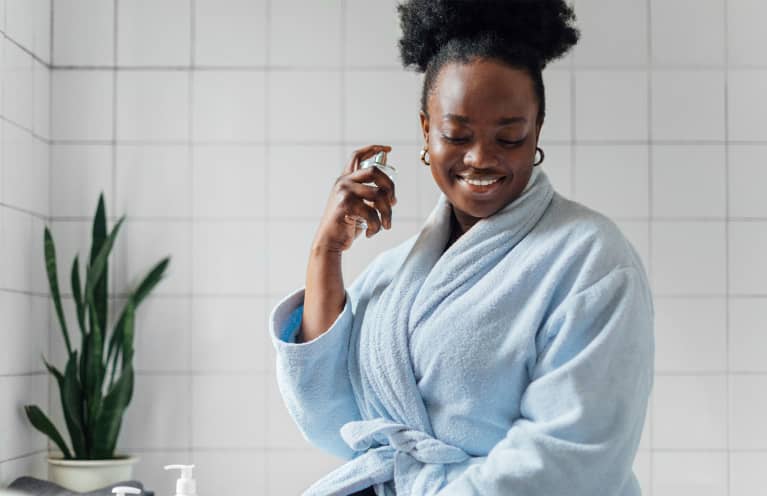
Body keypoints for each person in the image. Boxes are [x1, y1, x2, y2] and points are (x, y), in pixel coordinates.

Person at [269, 1, 654, 495]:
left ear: (536, 129)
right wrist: (326, 253)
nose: (481, 158)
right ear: (427, 131)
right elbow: (332, 419)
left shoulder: (591, 259)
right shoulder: (397, 272)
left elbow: (570, 457)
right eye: (457, 134)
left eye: (509, 136)